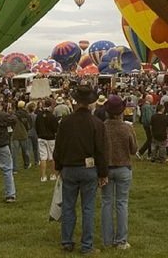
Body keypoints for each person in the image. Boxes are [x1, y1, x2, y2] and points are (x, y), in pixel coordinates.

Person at [54, 84, 107, 255]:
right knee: (88, 208)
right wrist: (103, 173)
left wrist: (58, 166)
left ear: (76, 101)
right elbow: (101, 150)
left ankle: (67, 242)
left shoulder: (66, 122)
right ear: (91, 103)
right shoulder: (97, 123)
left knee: (68, 206)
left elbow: (59, 146)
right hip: (88, 169)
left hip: (69, 168)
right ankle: (87, 245)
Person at [102, 94, 136, 250]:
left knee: (106, 203)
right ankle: (121, 240)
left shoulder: (102, 127)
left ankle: (107, 240)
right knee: (122, 204)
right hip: (123, 167)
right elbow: (133, 149)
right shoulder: (127, 128)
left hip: (106, 169)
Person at [35, 99, 59, 182]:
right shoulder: (52, 116)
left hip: (41, 137)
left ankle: (43, 176)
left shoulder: (39, 115)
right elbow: (55, 129)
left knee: (43, 157)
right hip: (51, 138)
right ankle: (53, 175)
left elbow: (36, 127)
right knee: (52, 157)